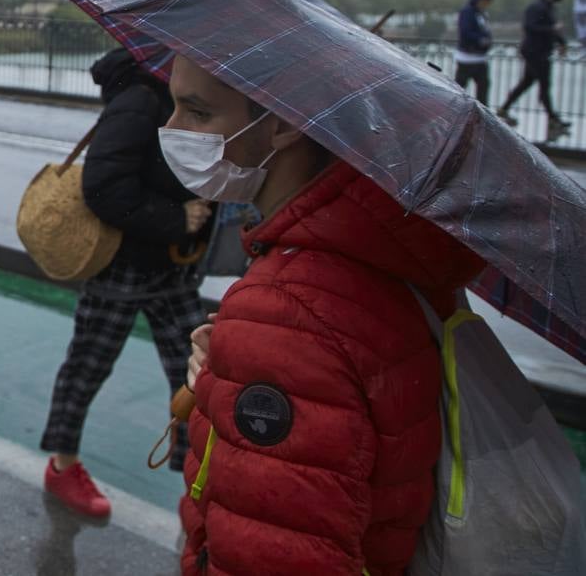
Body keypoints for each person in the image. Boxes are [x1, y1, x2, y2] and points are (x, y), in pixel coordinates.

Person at [163, 54, 484, 575]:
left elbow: (271, 551)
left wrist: (264, 340)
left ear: (286, 124)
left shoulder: (290, 308)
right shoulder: (376, 253)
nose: (171, 129)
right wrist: (237, 359)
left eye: (197, 113)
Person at [40, 47, 211, 518]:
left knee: (195, 377)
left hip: (172, 268)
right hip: (122, 264)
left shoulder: (180, 97)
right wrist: (176, 217)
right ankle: (62, 465)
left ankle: (192, 478)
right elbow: (103, 186)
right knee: (87, 368)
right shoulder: (140, 99)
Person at [496, 0, 568, 131]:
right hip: (535, 52)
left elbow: (550, 28)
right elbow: (531, 27)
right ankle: (553, 119)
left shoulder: (548, 7)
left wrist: (562, 42)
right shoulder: (537, 7)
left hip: (539, 51)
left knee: (527, 83)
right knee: (544, 85)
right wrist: (553, 31)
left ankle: (504, 108)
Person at [453, 0, 493, 105]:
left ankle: (483, 115)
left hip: (480, 58)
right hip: (467, 57)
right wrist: (480, 39)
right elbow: (465, 31)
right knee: (459, 88)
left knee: (483, 88)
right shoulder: (467, 12)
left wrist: (487, 40)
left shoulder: (481, 14)